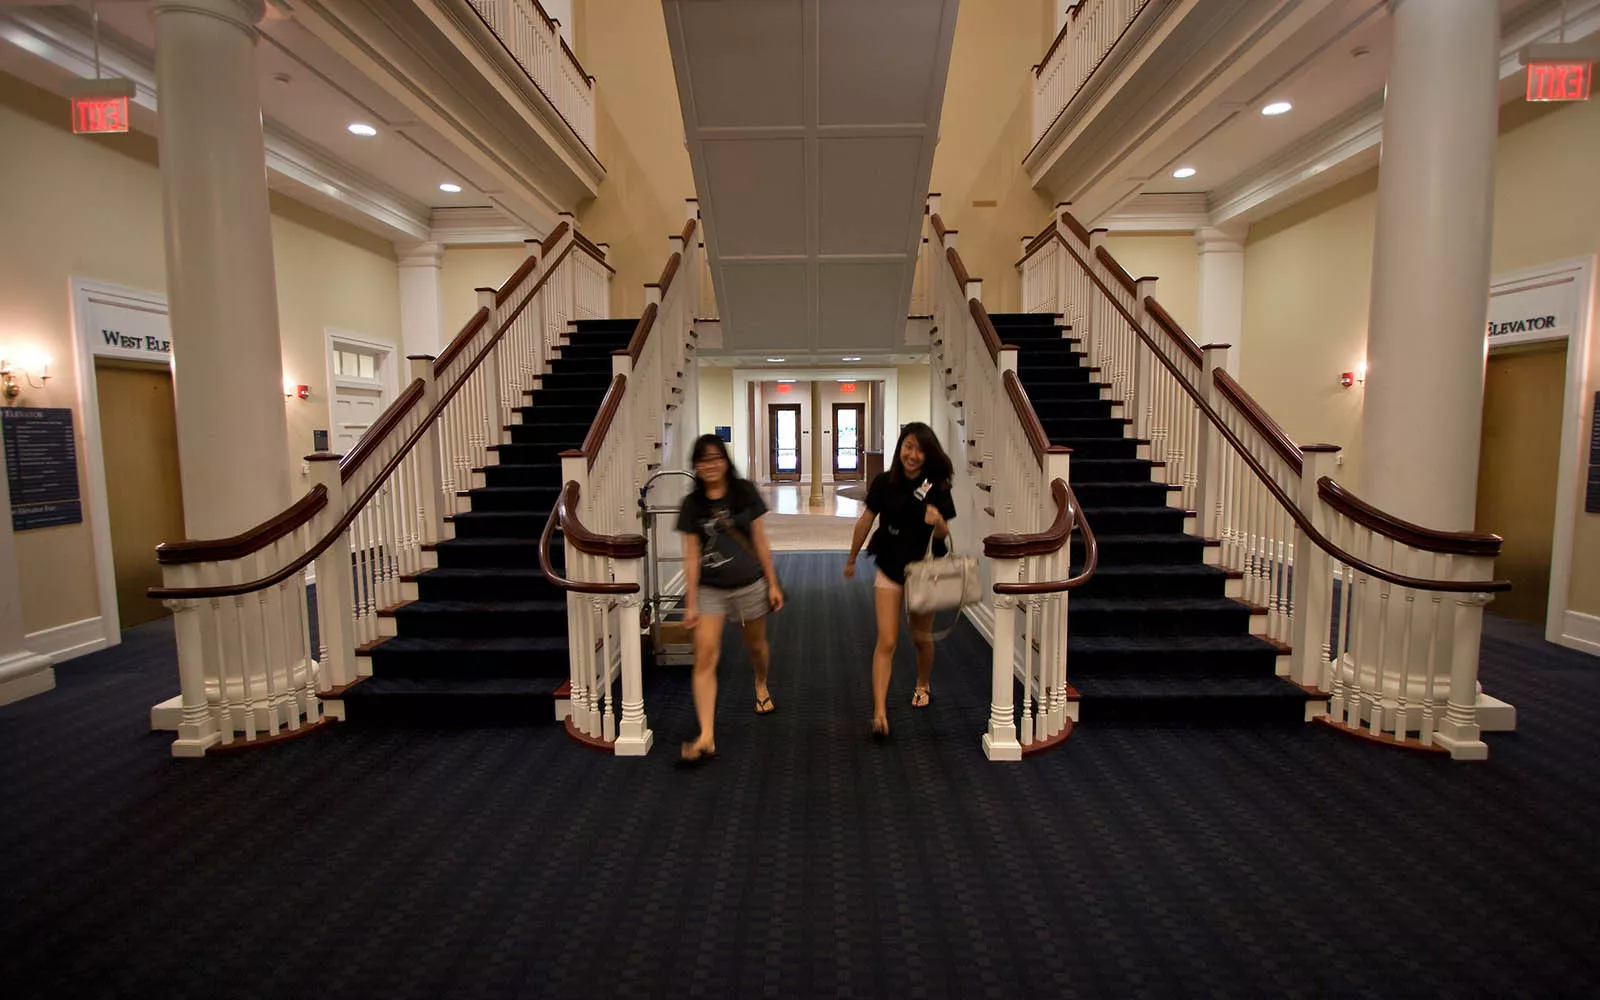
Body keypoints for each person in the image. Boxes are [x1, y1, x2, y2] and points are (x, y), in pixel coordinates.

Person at [676, 433, 785, 762]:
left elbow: (761, 541)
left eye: (715, 458)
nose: (709, 465)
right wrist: (691, 601)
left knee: (756, 647)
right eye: (702, 460)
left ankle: (761, 680)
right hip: (711, 589)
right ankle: (707, 735)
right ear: (695, 466)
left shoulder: (744, 493)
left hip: (749, 581)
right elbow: (692, 555)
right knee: (705, 656)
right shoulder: (692, 505)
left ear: (725, 461)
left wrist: (773, 582)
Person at [845, 422, 956, 739]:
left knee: (921, 637)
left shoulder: (937, 486)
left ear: (927, 453)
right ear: (900, 448)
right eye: (908, 446)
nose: (913, 454)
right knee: (888, 641)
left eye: (920, 449)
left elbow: (943, 536)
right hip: (890, 567)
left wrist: (938, 523)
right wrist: (852, 558)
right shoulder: (884, 482)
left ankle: (922, 683)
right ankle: (879, 713)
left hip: (923, 570)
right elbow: (865, 521)